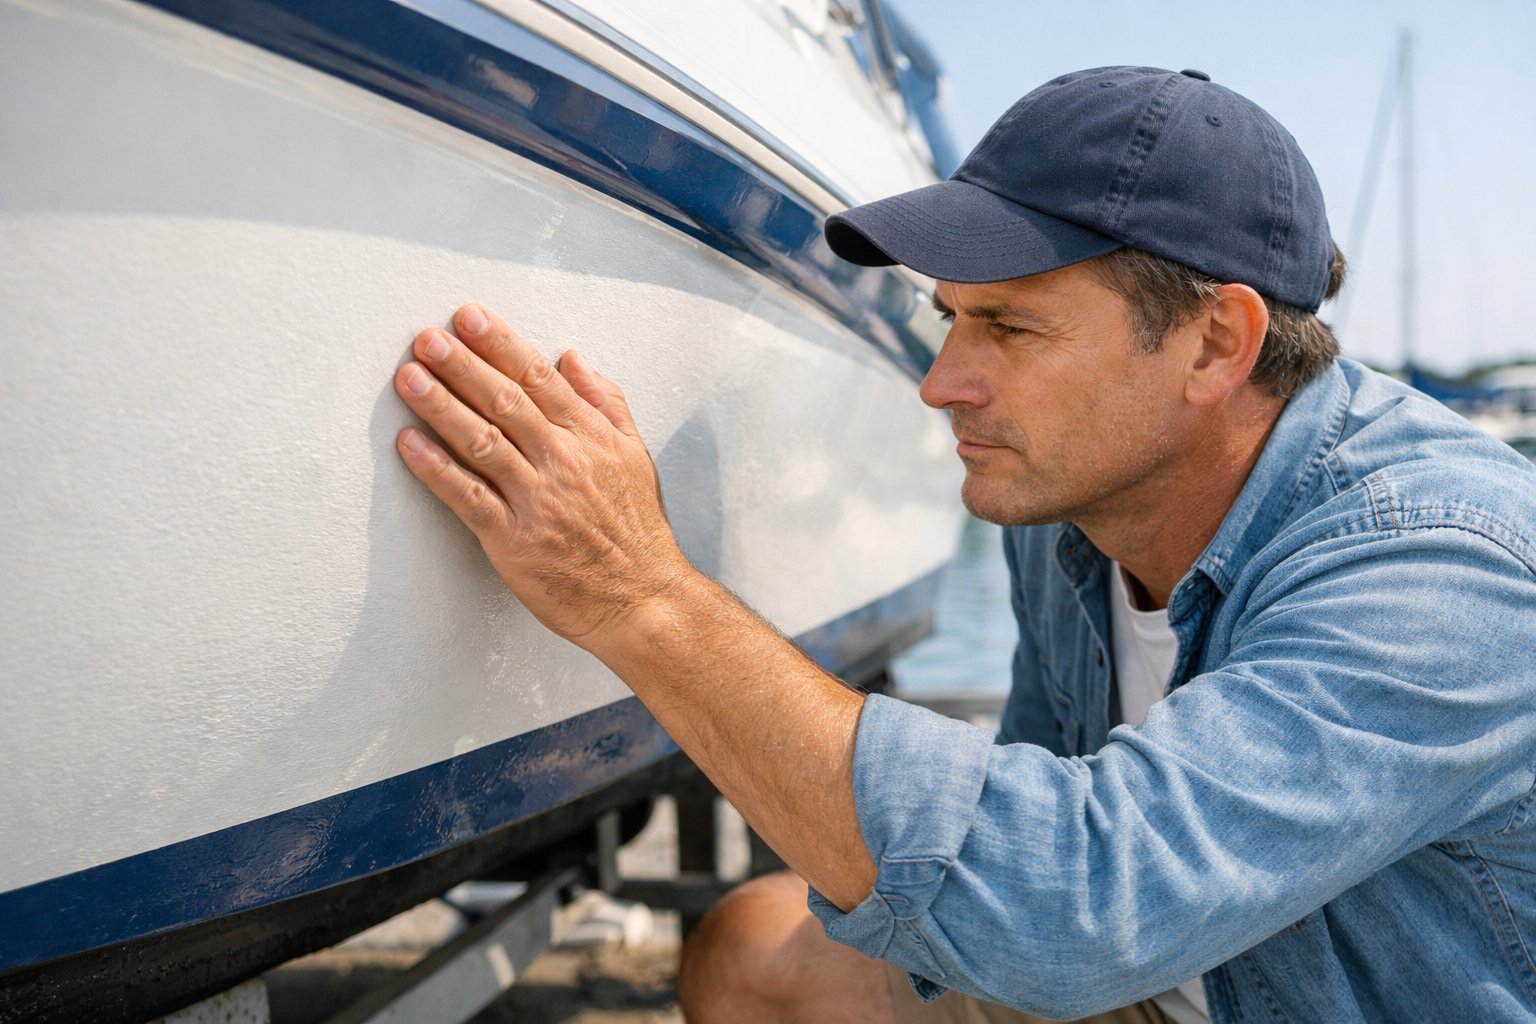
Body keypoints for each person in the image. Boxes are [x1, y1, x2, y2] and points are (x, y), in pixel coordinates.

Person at [389, 66, 1536, 1023]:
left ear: (1214, 342)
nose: (944, 384)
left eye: (1009, 325)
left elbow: (1080, 901)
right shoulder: (1072, 510)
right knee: (753, 958)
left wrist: (639, 597)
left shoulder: (1442, 566)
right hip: (1174, 978)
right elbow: (1028, 820)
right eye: (949, 318)